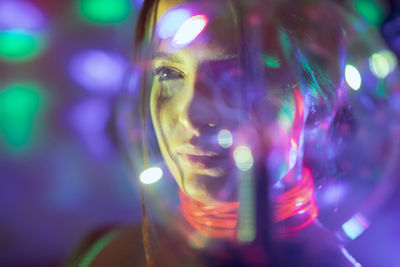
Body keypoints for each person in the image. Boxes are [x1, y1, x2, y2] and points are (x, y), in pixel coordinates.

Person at [67, 0, 397, 266]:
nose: (189, 114)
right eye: (168, 72)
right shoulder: (107, 257)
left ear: (319, 97)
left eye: (233, 77)